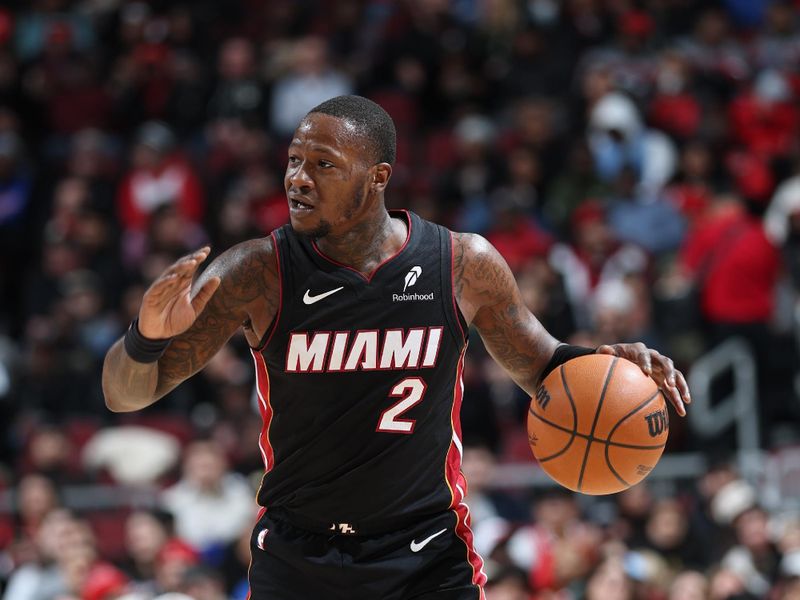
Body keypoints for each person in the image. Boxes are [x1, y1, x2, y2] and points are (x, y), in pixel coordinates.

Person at [102, 95, 690, 599]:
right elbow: (125, 394)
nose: (297, 179)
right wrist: (146, 336)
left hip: (426, 552)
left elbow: (544, 368)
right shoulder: (258, 272)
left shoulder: (461, 264)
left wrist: (602, 364)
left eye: (322, 165)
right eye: (293, 162)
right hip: (298, 551)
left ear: (377, 177)